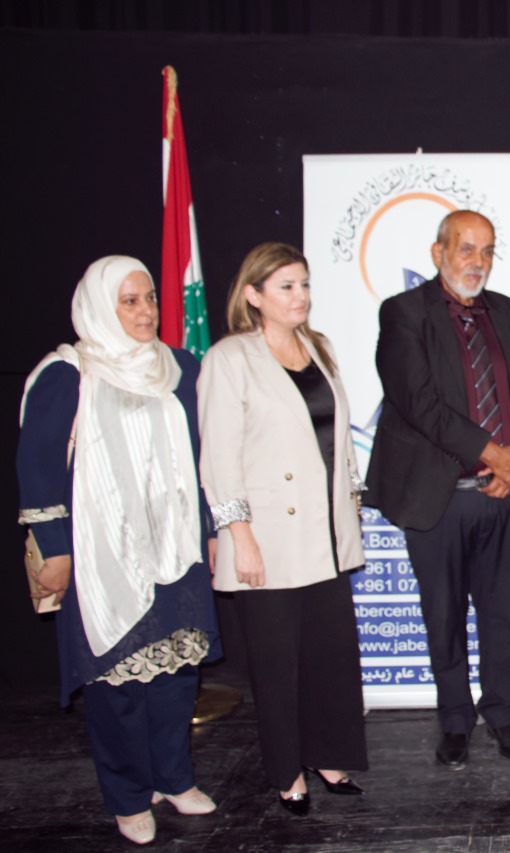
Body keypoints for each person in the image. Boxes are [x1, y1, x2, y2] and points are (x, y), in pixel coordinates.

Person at [17, 256, 221, 845]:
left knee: (177, 673)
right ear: (100, 306)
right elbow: (38, 470)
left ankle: (173, 778)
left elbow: (200, 457)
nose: (146, 311)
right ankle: (129, 797)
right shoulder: (68, 374)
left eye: (150, 297)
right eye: (129, 301)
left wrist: (210, 529)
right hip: (101, 555)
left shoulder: (179, 367)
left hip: (175, 547)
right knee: (117, 682)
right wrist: (54, 550)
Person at [365, 211, 510, 770]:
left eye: (487, 250)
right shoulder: (403, 313)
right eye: (466, 248)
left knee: (504, 617)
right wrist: (495, 454)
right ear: (438, 252)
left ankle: (503, 714)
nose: (478, 261)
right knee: (443, 616)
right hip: (438, 497)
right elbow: (418, 404)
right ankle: (453, 720)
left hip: (504, 494)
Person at [198, 243, 368, 815]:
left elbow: (337, 440)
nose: (301, 297)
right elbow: (219, 457)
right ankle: (287, 771)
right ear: (253, 295)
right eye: (286, 287)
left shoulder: (319, 348)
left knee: (329, 655)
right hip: (267, 537)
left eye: (304, 284)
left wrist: (352, 503)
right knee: (277, 666)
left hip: (324, 534)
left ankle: (329, 756)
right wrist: (238, 534)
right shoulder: (229, 358)